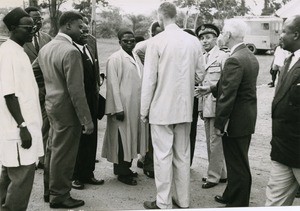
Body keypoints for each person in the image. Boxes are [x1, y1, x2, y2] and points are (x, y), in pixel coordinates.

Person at [141, 2, 205, 209]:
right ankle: (183, 200)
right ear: (175, 16)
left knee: (162, 157)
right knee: (182, 155)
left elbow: (149, 79)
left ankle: (163, 202)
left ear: (160, 17)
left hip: (161, 109)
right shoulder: (193, 41)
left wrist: (144, 111)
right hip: (185, 108)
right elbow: (200, 74)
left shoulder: (156, 41)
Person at [196, 18, 259, 207]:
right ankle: (231, 193)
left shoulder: (233, 59)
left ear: (229, 35)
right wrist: (211, 88)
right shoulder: (248, 55)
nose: (221, 35)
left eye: (222, 32)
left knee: (237, 163)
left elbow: (228, 96)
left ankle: (238, 203)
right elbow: (232, 86)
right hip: (245, 117)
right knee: (235, 161)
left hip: (235, 120)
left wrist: (219, 124)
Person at [37, 11, 94, 209]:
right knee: (65, 155)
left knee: (53, 150)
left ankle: (49, 191)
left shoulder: (47, 47)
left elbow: (34, 72)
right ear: (68, 26)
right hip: (68, 112)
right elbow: (76, 91)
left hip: (52, 106)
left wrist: (47, 90)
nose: (83, 30)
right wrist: (86, 120)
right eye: (80, 27)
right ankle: (60, 195)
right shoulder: (70, 51)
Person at [0, 7, 43, 211]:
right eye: (27, 27)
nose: (32, 30)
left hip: (22, 125)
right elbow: (9, 94)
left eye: (32, 27)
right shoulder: (7, 53)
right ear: (13, 28)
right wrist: (23, 126)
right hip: (17, 127)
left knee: (9, 173)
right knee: (22, 176)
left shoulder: (19, 51)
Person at [102, 28, 148, 186]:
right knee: (122, 138)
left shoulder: (135, 56)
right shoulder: (115, 59)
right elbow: (112, 86)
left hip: (135, 105)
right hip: (123, 106)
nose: (129, 43)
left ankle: (126, 168)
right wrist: (117, 108)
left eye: (132, 41)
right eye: (126, 41)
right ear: (119, 42)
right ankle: (122, 172)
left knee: (131, 138)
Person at [265, 15, 300, 206]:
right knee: (274, 202)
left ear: (296, 34)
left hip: (297, 148)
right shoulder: (288, 60)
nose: (280, 35)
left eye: (284, 31)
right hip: (282, 150)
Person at [71, 19, 104, 191]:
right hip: (78, 100)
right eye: (81, 30)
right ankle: (75, 176)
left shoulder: (91, 42)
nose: (85, 33)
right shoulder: (70, 48)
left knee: (91, 138)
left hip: (92, 99)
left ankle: (88, 173)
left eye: (86, 29)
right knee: (79, 138)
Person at [195, 23, 228, 189]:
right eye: (201, 38)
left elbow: (225, 84)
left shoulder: (223, 57)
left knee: (215, 142)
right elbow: (202, 82)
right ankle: (221, 173)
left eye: (208, 37)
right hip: (206, 106)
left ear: (216, 38)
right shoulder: (202, 57)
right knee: (211, 141)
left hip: (217, 106)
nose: (204, 41)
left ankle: (213, 176)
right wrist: (200, 108)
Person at [23, 6, 52, 170]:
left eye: (40, 18)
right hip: (27, 90)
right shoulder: (20, 40)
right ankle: (29, 157)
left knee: (45, 123)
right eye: (34, 18)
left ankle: (42, 158)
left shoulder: (47, 38)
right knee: (28, 123)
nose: (38, 21)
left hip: (46, 89)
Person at [135, 21, 163, 179]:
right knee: (149, 129)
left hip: (163, 90)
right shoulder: (145, 46)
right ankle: (148, 163)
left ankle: (149, 160)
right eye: (157, 33)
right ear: (152, 33)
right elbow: (137, 52)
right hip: (149, 90)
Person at [183, 28, 201, 166]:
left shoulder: (197, 54)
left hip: (192, 96)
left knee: (190, 131)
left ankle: (187, 162)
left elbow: (199, 77)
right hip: (180, 98)